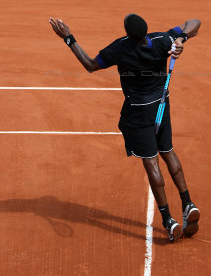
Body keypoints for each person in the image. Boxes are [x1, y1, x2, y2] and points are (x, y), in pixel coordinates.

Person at [49, 14, 201, 242]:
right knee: (168, 151)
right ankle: (187, 203)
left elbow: (90, 64)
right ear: (146, 30)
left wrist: (68, 38)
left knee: (151, 161)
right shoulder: (161, 40)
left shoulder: (120, 49)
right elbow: (194, 22)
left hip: (138, 113)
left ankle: (168, 220)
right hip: (161, 104)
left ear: (129, 34)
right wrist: (180, 39)